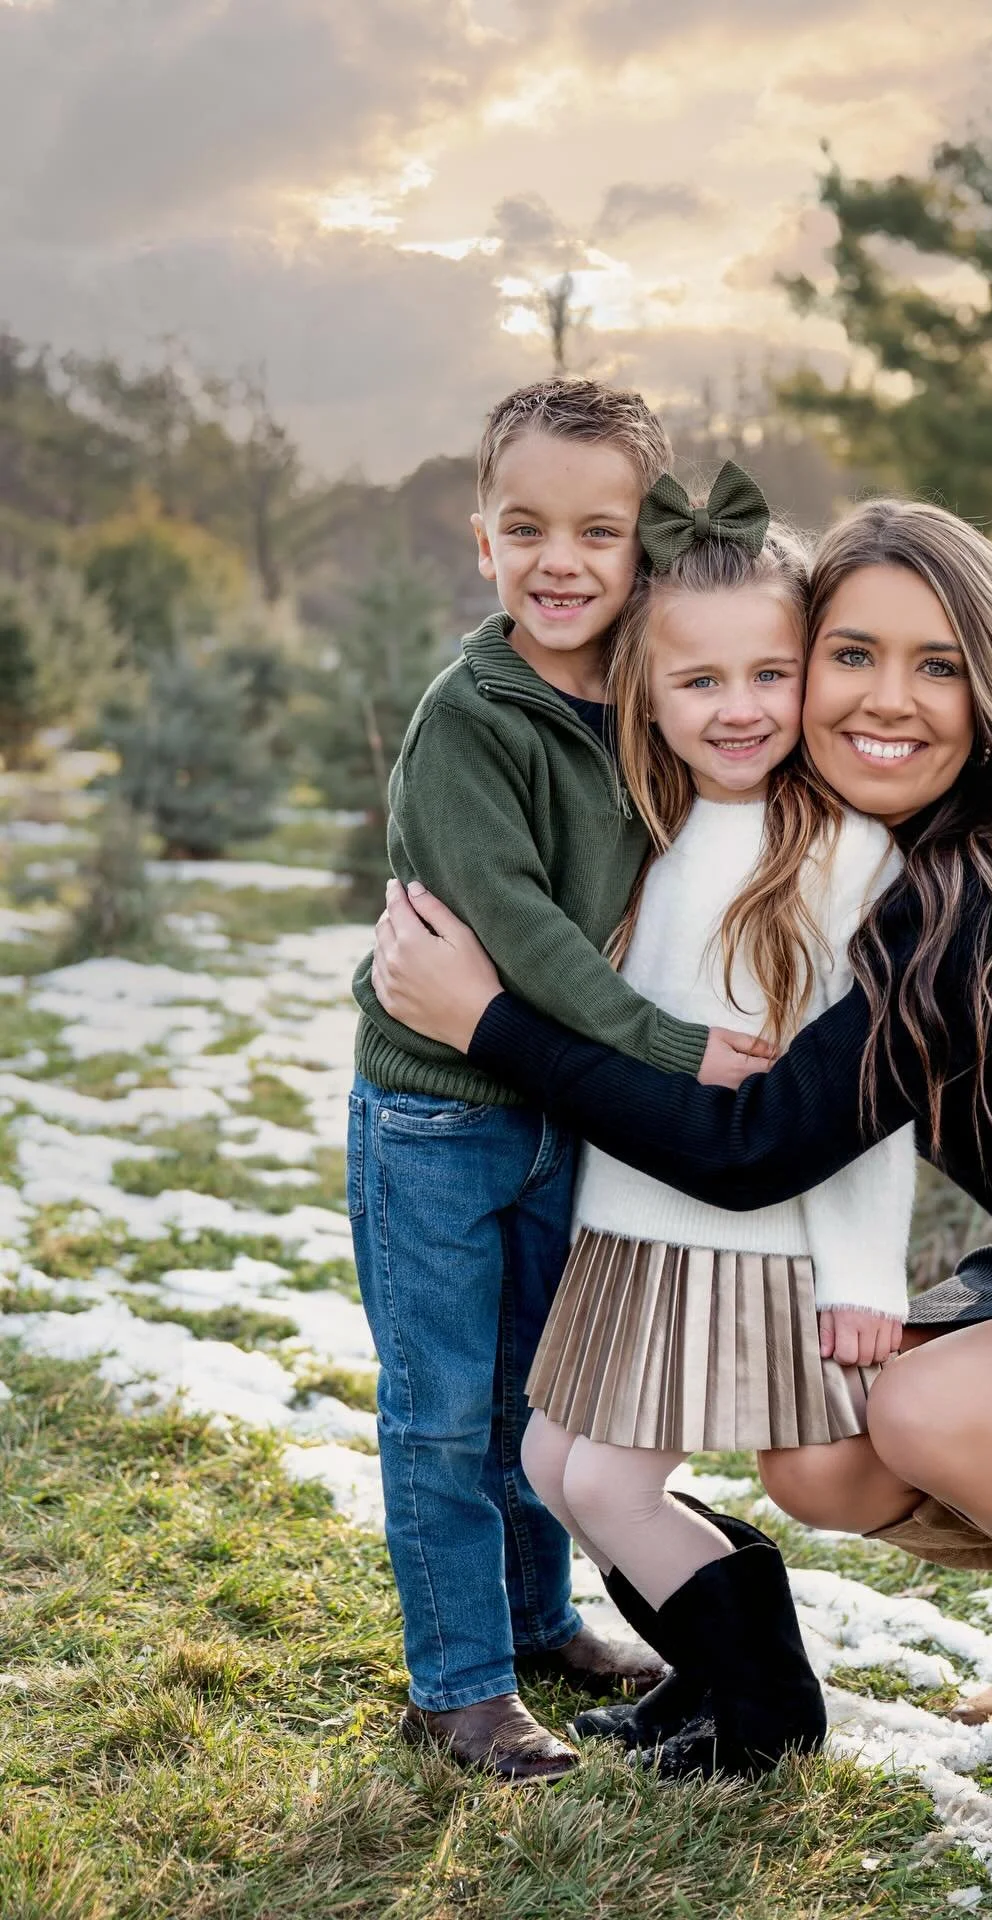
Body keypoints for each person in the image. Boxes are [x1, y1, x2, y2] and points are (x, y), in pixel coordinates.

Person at [370, 496, 992, 1834]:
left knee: (924, 1415)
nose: (884, 699)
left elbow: (753, 1152)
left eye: (938, 663)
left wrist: (489, 1025)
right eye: (851, 655)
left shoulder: (989, 903)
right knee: (823, 1467)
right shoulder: (896, 864)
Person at [347, 378, 767, 1783]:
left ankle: (539, 1620)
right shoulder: (473, 718)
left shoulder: (646, 696)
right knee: (443, 1404)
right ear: (482, 540)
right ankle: (458, 1688)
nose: (560, 560)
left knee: (540, 1399)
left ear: (643, 543)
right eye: (524, 527)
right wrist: (673, 1050)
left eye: (597, 530)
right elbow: (520, 939)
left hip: (559, 1112)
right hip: (440, 1117)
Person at [518, 464, 915, 1779]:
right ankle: (708, 1675)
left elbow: (874, 1094)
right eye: (700, 683)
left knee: (615, 1485)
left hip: (734, 1234)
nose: (738, 709)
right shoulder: (663, 827)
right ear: (648, 693)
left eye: (770, 674)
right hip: (630, 1220)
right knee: (554, 1462)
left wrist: (863, 1275)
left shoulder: (841, 854)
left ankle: (766, 1715)